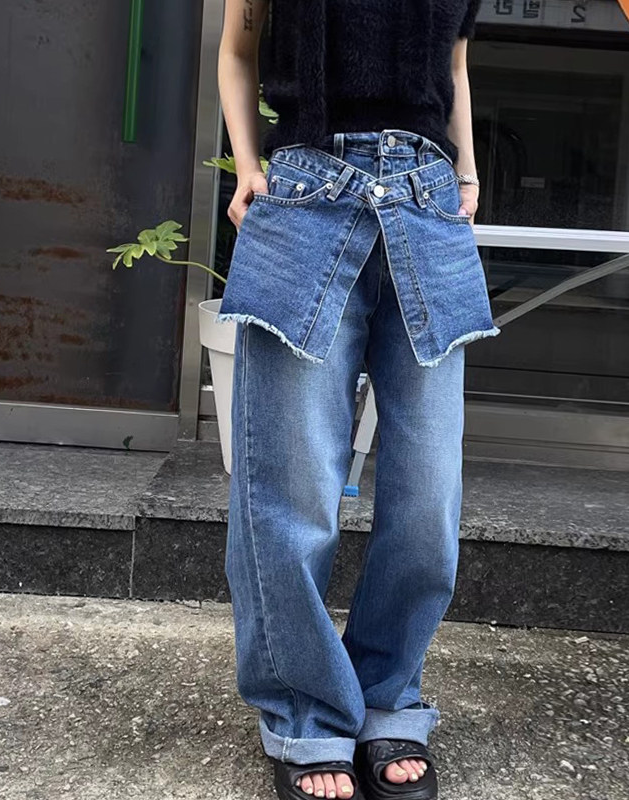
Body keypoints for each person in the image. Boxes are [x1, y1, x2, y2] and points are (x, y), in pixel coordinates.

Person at [216, 0, 496, 797]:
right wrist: (247, 165)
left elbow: (455, 67)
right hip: (307, 191)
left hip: (430, 201)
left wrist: (468, 175)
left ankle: (385, 695)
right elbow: (236, 52)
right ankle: (307, 713)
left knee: (428, 494)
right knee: (291, 486)